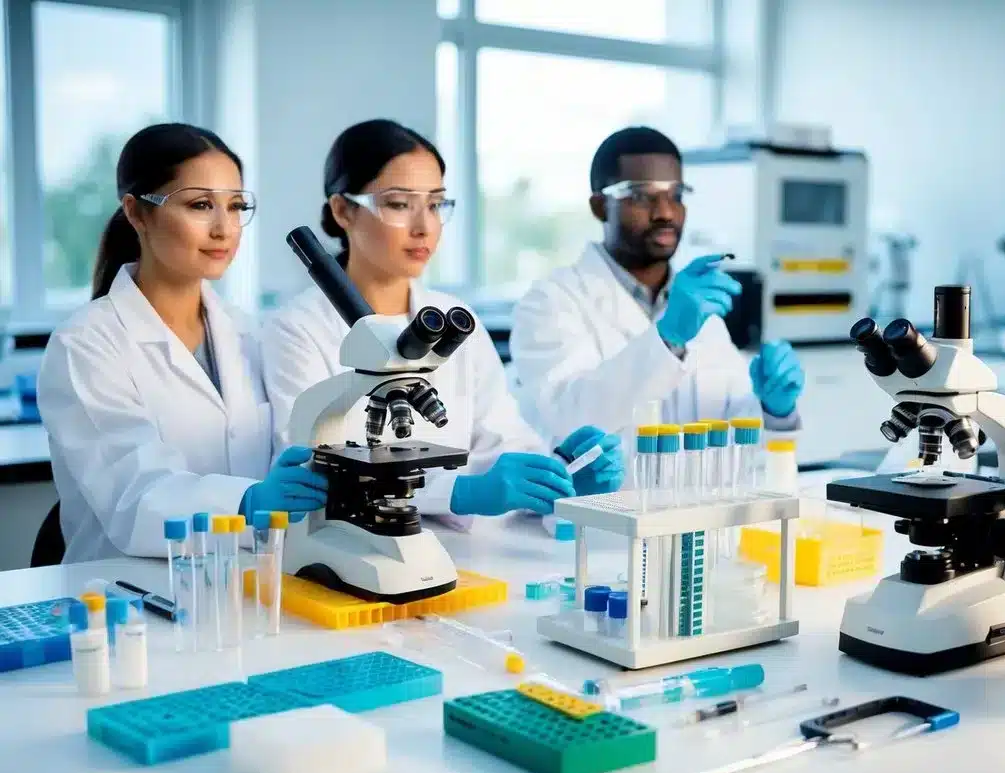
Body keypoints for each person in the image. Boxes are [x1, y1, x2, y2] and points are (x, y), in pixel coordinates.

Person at [261, 119, 622, 525]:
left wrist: (560, 471)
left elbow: (502, 439)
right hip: (347, 539)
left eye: (434, 204)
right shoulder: (297, 328)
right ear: (343, 210)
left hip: (469, 551)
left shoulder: (453, 317)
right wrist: (460, 492)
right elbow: (308, 470)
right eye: (399, 204)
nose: (424, 227)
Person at [38, 123, 329, 564]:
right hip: (126, 587)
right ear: (137, 213)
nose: (224, 228)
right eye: (200, 205)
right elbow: (134, 496)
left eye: (235, 207)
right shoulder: (85, 345)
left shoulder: (248, 332)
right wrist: (246, 502)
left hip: (243, 581)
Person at [509, 126, 807, 448]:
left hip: (698, 483)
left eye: (675, 196)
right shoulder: (550, 303)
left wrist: (775, 410)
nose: (665, 212)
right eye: (640, 195)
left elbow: (729, 427)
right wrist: (667, 340)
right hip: (610, 485)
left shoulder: (698, 309)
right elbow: (571, 419)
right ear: (600, 206)